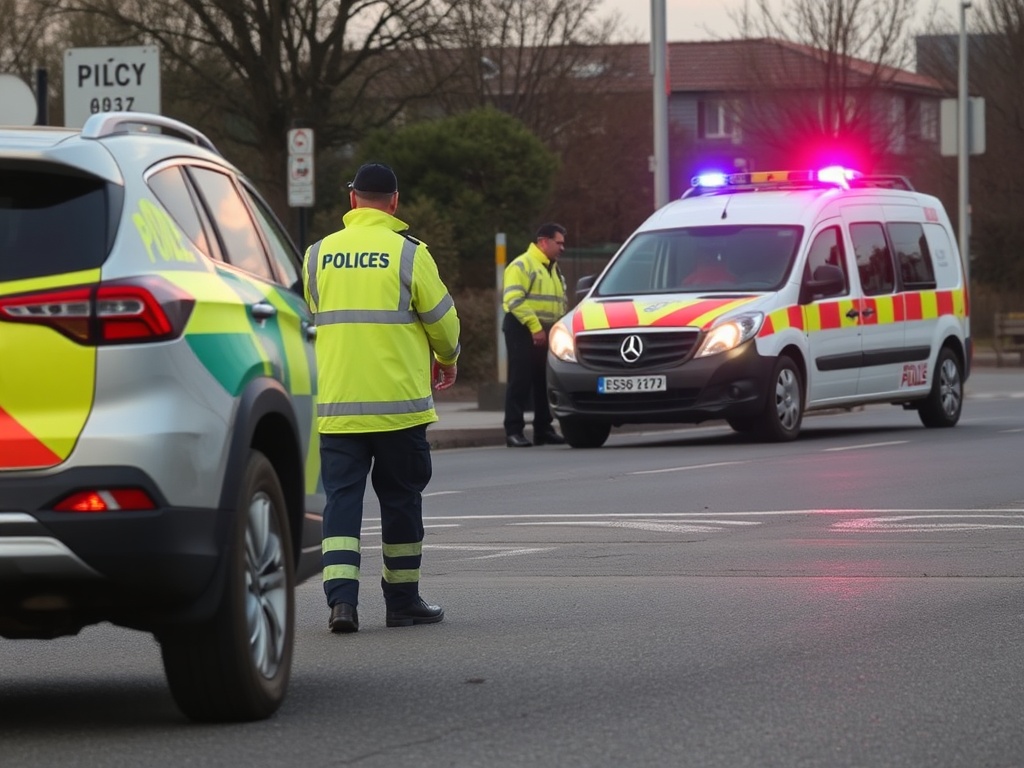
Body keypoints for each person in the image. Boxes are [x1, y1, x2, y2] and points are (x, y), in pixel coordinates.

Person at [302, 162, 460, 634]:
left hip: (337, 407)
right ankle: (402, 602)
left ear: (352, 200)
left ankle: (341, 605)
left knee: (341, 504)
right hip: (398, 409)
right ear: (394, 202)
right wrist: (447, 359)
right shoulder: (409, 254)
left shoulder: (317, 254)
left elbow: (311, 315)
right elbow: (443, 321)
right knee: (400, 501)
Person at [502, 223, 568, 447]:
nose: (562, 248)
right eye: (558, 243)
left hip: (546, 330)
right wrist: (534, 326)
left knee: (543, 381)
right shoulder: (522, 265)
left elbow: (560, 304)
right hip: (522, 328)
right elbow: (513, 300)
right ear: (543, 242)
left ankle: (543, 429)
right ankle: (513, 430)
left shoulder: (553, 268)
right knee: (520, 380)